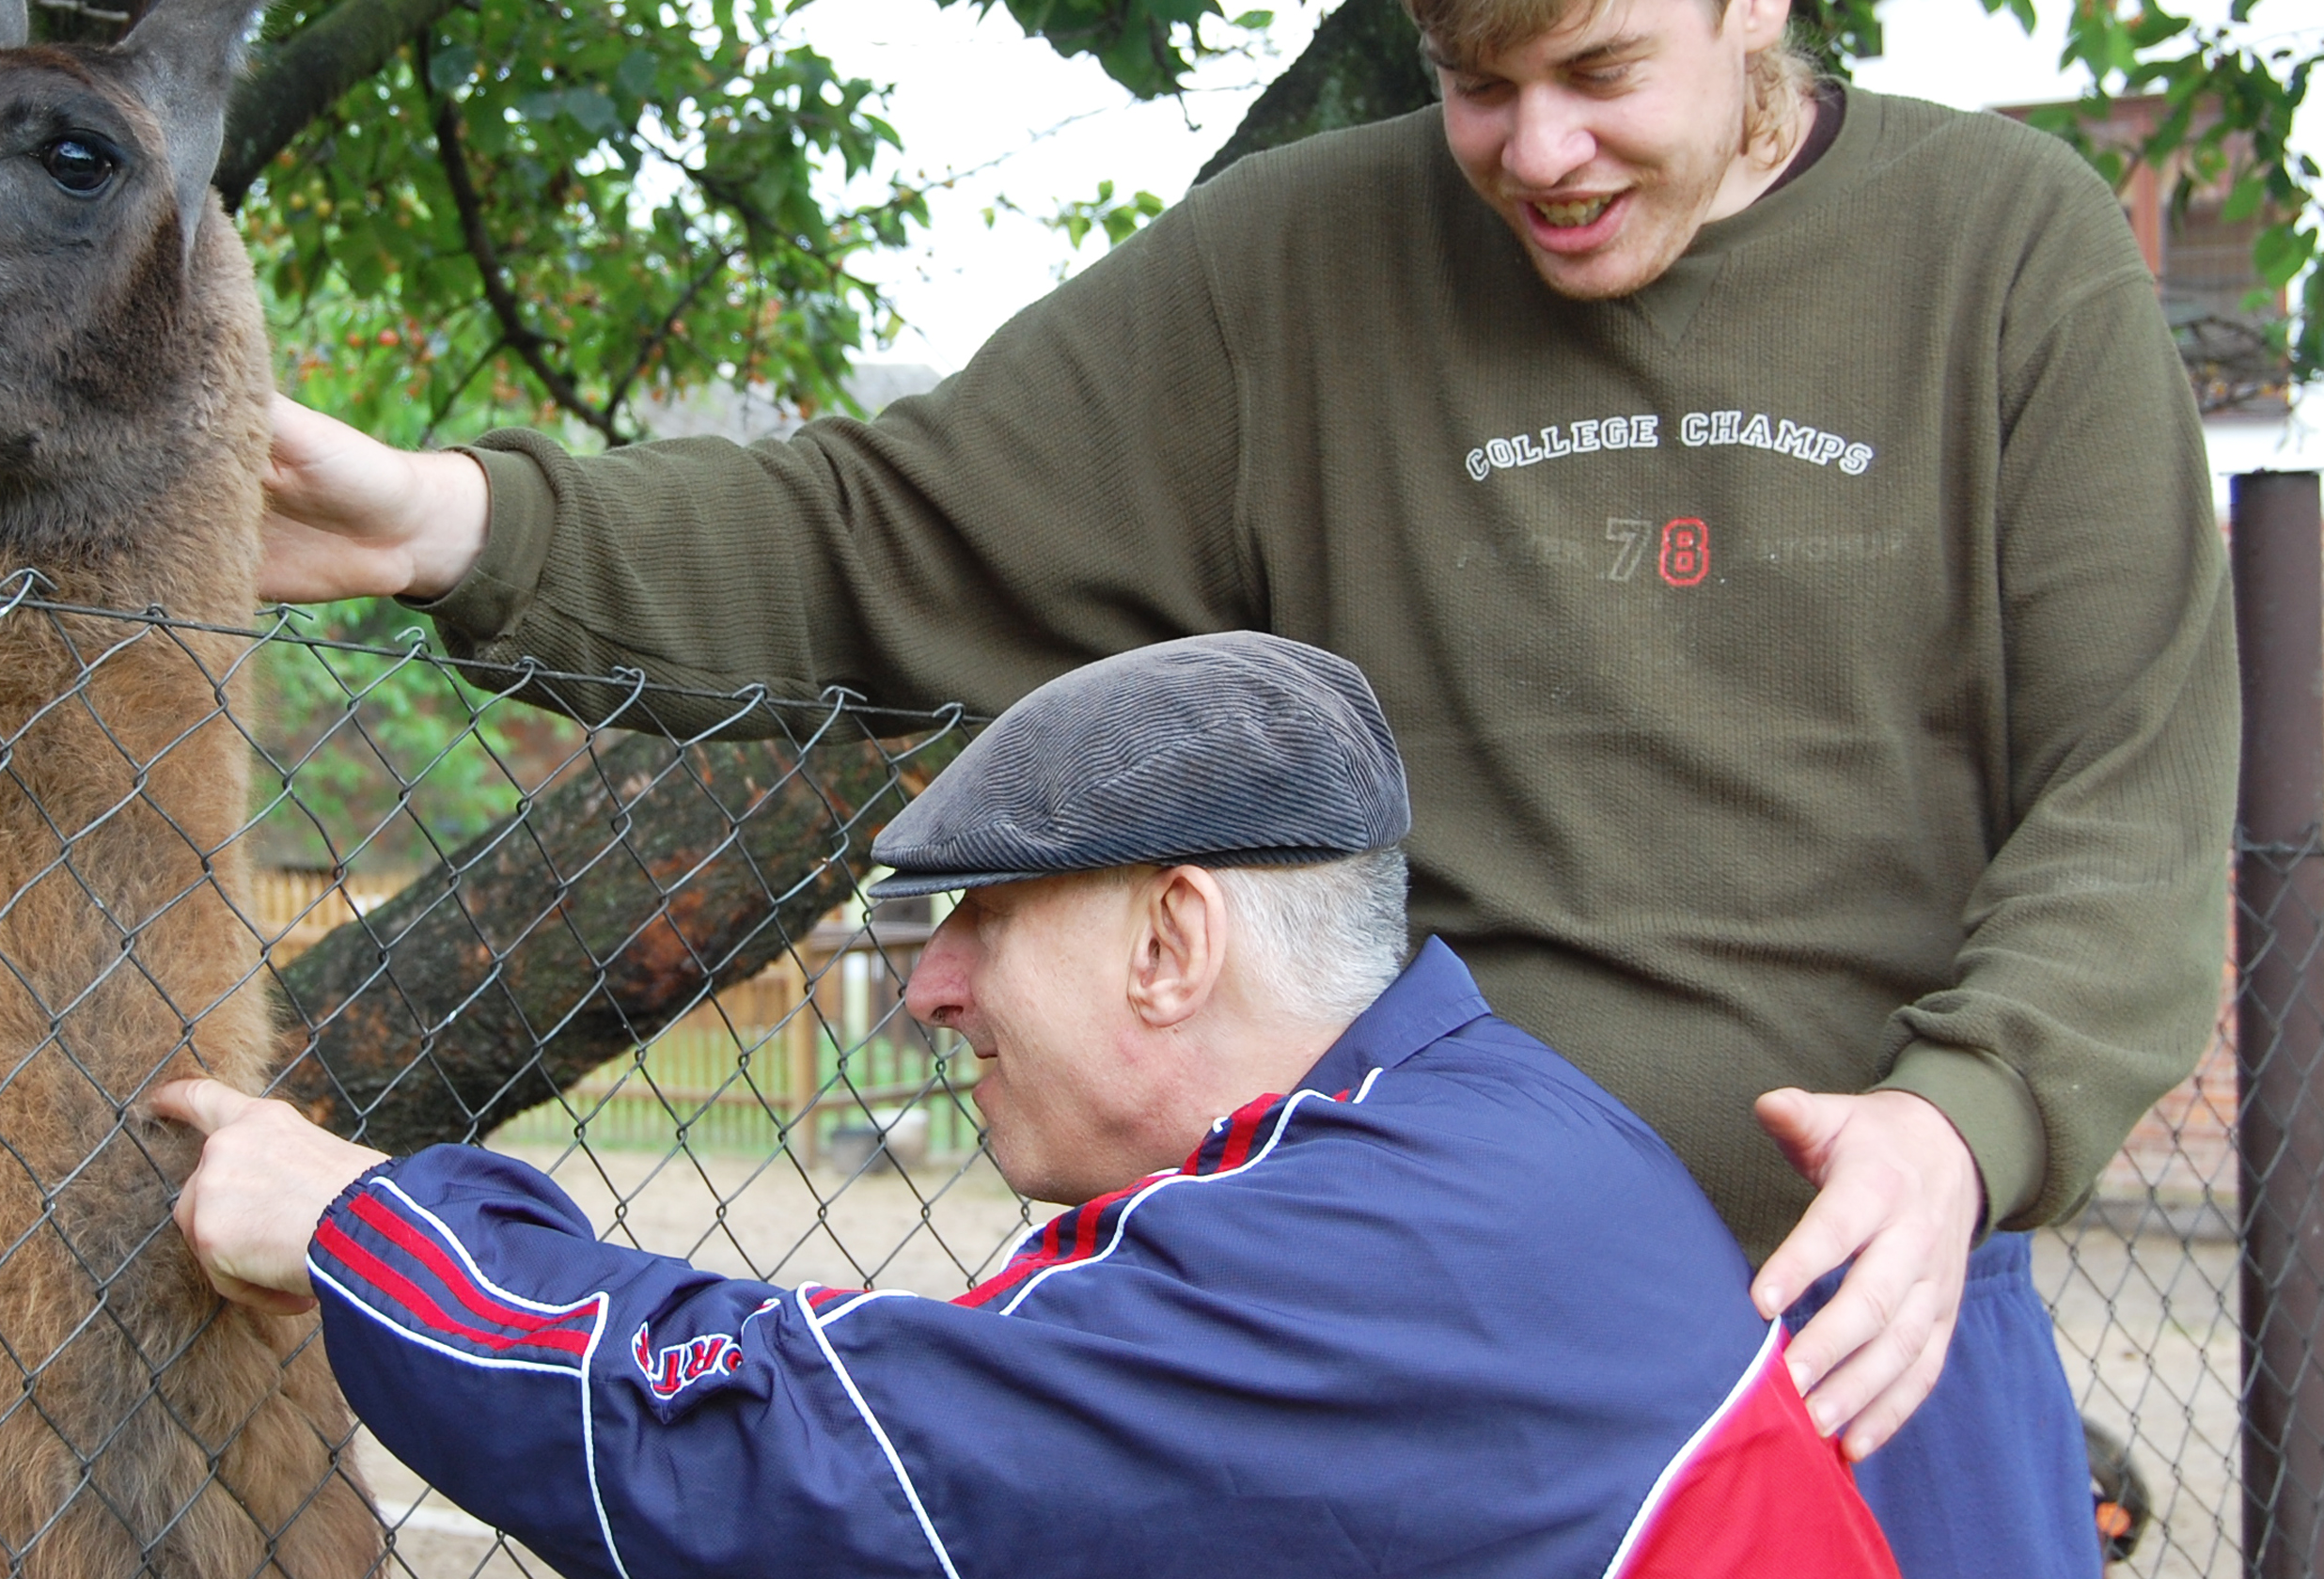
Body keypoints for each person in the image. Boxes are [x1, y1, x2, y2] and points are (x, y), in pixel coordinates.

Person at [248, 0, 2238, 1569]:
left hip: (1869, 1300)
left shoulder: (2008, 252)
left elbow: (2127, 793)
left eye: (1601, 74)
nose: (1538, 155)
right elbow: (886, 525)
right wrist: (457, 522)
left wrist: (1966, 1128)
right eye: (1479, 85)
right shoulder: (1300, 267)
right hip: (1427, 1343)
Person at [157, 633, 1900, 1578]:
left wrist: (354, 1224)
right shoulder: (1484, 1123)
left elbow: (799, 1466)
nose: (928, 985)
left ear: (1172, 938)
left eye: (981, 915)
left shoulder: (1349, 1259)